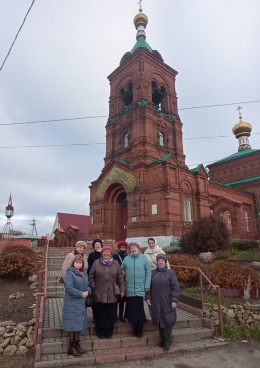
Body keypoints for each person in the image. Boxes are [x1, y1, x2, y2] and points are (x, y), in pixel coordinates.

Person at [89, 246, 125, 339]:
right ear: (102, 253)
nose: (106, 254)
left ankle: (109, 332)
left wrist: (122, 290)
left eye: (108, 252)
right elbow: (91, 276)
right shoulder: (96, 263)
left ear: (111, 253)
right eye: (104, 252)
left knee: (110, 314)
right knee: (100, 313)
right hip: (99, 292)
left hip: (112, 293)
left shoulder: (116, 263)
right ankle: (100, 332)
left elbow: (120, 278)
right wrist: (93, 287)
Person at [145, 254, 180, 351]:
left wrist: (174, 300)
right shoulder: (152, 273)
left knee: (167, 321)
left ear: (165, 262)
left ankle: (167, 342)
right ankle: (162, 340)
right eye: (159, 260)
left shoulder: (170, 273)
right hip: (156, 302)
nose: (160, 262)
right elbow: (149, 287)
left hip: (167, 302)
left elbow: (175, 288)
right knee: (159, 321)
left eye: (162, 260)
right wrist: (148, 297)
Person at [61, 255, 91, 356]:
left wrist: (88, 291)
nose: (78, 263)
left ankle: (76, 344)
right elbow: (69, 287)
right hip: (72, 302)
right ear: (73, 263)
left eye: (80, 262)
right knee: (72, 325)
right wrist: (80, 294)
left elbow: (88, 285)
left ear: (83, 264)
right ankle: (71, 347)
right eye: (76, 262)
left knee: (78, 324)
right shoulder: (70, 273)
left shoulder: (85, 273)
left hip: (81, 303)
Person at [121, 242, 151, 338]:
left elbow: (148, 272)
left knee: (139, 309)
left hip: (140, 288)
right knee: (132, 310)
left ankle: (140, 329)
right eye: (131, 248)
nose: (133, 249)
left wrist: (147, 285)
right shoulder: (126, 259)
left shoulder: (143, 258)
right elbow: (121, 270)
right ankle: (134, 329)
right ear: (129, 250)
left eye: (134, 248)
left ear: (138, 248)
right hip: (129, 288)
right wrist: (123, 273)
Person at [113, 240, 128, 322]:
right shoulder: (115, 256)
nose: (123, 248)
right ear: (119, 248)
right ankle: (114, 316)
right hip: (116, 279)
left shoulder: (127, 256)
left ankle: (121, 316)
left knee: (122, 300)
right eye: (121, 247)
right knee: (116, 300)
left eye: (124, 247)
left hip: (125, 280)